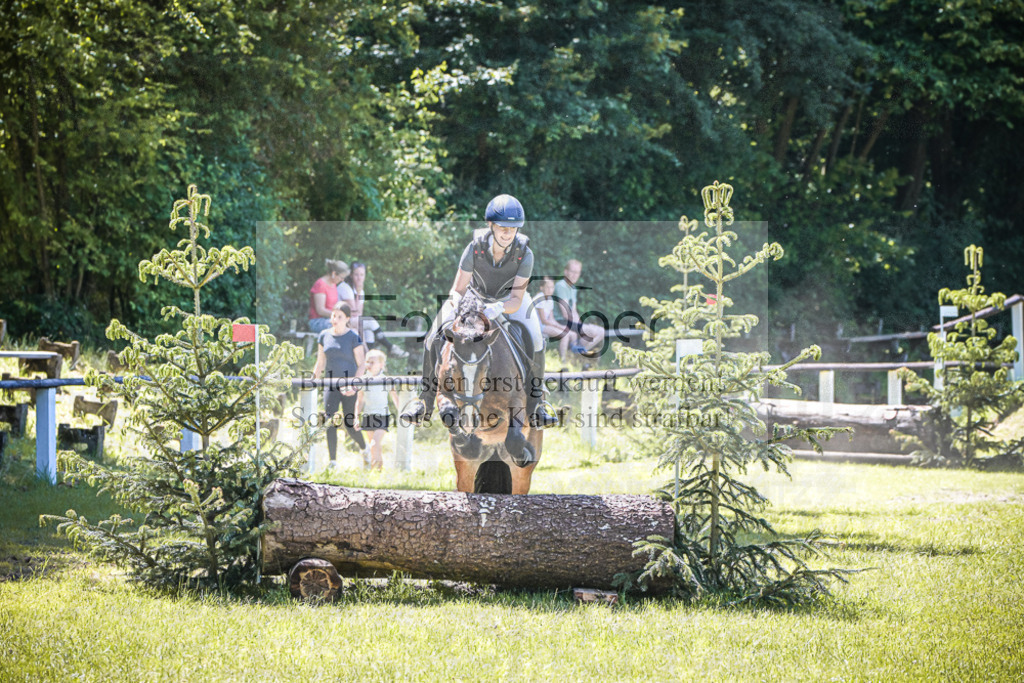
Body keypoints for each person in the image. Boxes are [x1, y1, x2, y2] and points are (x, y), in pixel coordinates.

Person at [400, 194, 558, 428]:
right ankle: (424, 401)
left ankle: (537, 405)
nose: (508, 233)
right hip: (474, 297)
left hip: (510, 299)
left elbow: (516, 299)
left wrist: (498, 307)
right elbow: (458, 289)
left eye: (513, 229)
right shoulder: (475, 248)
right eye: (503, 228)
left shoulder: (525, 253)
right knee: (433, 334)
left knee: (536, 338)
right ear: (491, 225)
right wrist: (457, 304)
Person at [312, 302, 367, 465]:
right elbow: (320, 362)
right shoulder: (324, 335)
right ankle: (333, 461)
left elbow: (362, 364)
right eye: (333, 316)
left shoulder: (354, 337)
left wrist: (354, 386)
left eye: (339, 317)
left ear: (347, 319)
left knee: (349, 424)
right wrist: (312, 382)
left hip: (349, 385)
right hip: (330, 384)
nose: (335, 319)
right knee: (329, 421)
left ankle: (364, 449)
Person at [337, 261, 409, 359]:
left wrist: (359, 293)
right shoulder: (345, 287)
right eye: (356, 274)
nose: (359, 278)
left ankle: (368, 360)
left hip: (353, 320)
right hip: (341, 320)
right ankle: (390, 347)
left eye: (362, 275)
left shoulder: (359, 290)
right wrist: (358, 294)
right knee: (370, 322)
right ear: (351, 275)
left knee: (369, 332)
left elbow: (359, 313)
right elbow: (354, 310)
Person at [355, 349, 400, 470]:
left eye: (372, 362)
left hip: (382, 416)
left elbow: (394, 397)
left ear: (381, 364)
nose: (369, 365)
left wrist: (402, 412)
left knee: (375, 443)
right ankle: (377, 469)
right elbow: (360, 400)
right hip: (368, 415)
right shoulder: (363, 379)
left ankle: (377, 468)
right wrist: (356, 417)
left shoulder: (386, 380)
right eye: (368, 362)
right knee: (373, 445)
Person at [552, 259, 605, 356]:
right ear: (566, 272)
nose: (575, 275)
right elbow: (565, 313)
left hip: (570, 321)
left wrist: (581, 324)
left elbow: (574, 310)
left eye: (577, 273)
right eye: (572, 272)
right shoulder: (561, 286)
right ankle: (575, 353)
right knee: (593, 331)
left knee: (601, 332)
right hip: (560, 321)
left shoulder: (573, 288)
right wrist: (581, 327)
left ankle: (576, 353)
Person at [534, 276, 585, 363]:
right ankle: (563, 360)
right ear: (541, 288)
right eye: (548, 287)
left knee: (573, 334)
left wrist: (562, 327)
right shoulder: (540, 298)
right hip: (538, 327)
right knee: (565, 335)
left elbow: (551, 319)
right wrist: (560, 327)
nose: (550, 290)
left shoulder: (550, 299)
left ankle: (573, 359)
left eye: (552, 287)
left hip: (546, 325)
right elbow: (543, 320)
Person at [308, 260, 350, 333]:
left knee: (356, 325)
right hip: (318, 321)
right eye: (341, 277)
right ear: (334, 273)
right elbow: (320, 310)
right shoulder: (320, 285)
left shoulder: (333, 284)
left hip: (331, 319)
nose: (342, 280)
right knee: (342, 326)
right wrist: (339, 316)